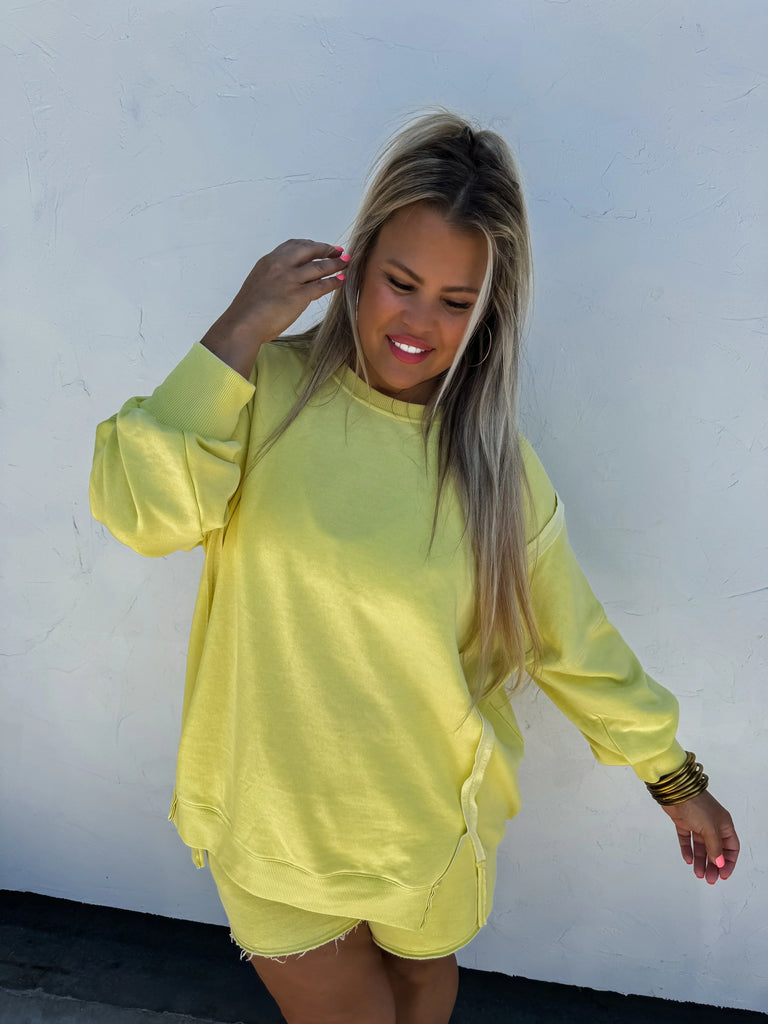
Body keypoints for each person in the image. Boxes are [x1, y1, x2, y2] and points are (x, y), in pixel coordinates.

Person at [89, 111, 740, 1024]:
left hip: (429, 838)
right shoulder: (260, 393)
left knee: (421, 987)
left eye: (455, 300)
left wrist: (675, 779)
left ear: (488, 311)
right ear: (354, 263)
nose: (419, 322)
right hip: (273, 832)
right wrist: (236, 330)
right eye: (401, 283)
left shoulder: (496, 473)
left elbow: (572, 643)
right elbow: (142, 515)